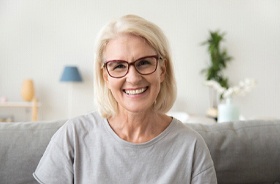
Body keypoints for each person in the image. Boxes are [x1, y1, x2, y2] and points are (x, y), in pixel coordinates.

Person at [33, 14, 217, 184]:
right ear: (105, 75)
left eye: (144, 63)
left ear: (162, 70)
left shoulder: (191, 146)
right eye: (119, 66)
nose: (133, 78)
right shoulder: (73, 136)